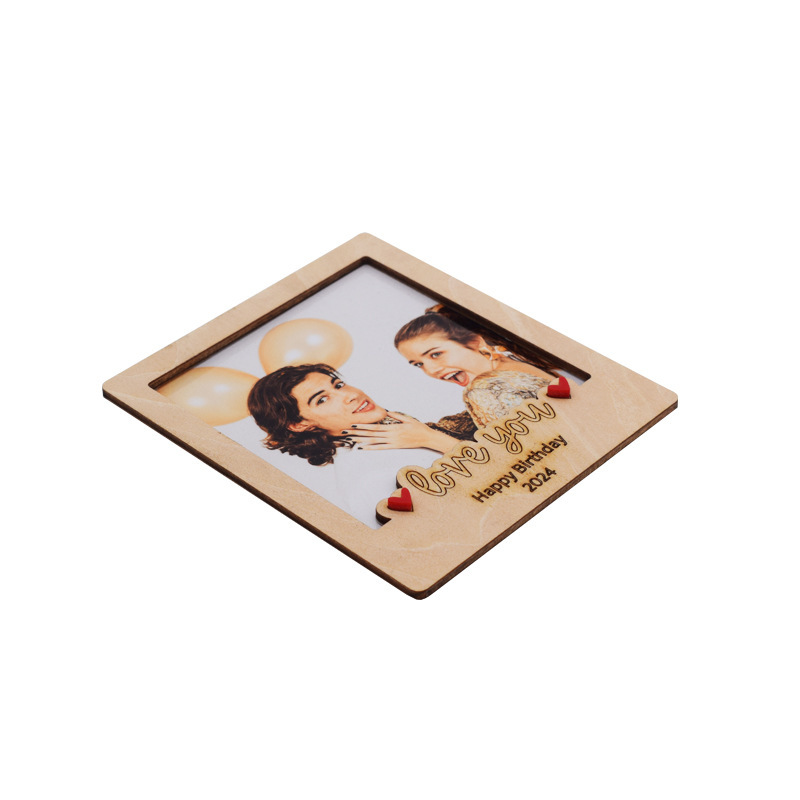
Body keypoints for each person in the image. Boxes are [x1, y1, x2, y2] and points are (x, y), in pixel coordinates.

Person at [247, 363, 474, 466]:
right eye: (322, 399)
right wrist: (431, 439)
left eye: (338, 385)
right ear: (299, 424)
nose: (350, 395)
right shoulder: (373, 460)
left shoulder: (391, 433)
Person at [394, 310, 565, 428]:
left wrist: (432, 440)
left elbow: (515, 456)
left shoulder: (484, 389)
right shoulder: (513, 364)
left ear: (475, 342)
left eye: (436, 354)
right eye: (418, 364)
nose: (431, 370)